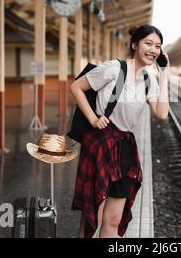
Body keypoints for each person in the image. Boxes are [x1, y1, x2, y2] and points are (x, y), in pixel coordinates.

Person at [69, 25, 169, 238]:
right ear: (135, 44)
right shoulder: (114, 69)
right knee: (91, 220)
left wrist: (165, 73)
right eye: (148, 43)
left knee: (113, 220)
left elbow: (162, 113)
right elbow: (76, 87)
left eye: (158, 46)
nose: (153, 50)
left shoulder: (148, 81)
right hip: (101, 144)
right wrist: (93, 119)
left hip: (124, 148)